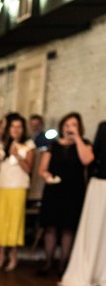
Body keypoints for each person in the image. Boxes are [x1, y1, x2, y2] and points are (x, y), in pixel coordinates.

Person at [37, 112, 93, 276]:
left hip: (74, 191)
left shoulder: (85, 143)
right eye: (67, 125)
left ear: (79, 127)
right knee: (50, 227)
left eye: (74, 125)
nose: (70, 128)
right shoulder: (53, 145)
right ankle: (48, 262)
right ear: (62, 127)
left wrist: (77, 139)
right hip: (54, 190)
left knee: (69, 228)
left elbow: (87, 160)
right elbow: (42, 168)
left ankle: (63, 264)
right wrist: (46, 176)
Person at [60, 120, 106, 286]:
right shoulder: (103, 127)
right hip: (101, 185)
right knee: (95, 231)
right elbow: (91, 159)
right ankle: (93, 269)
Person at [0, 113, 35, 272]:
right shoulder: (3, 145)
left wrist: (17, 155)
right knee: (1, 221)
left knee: (14, 222)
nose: (16, 130)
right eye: (13, 126)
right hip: (3, 186)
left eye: (19, 126)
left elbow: (29, 169)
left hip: (18, 187)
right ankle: (1, 254)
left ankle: (13, 255)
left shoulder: (28, 145)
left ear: (23, 129)